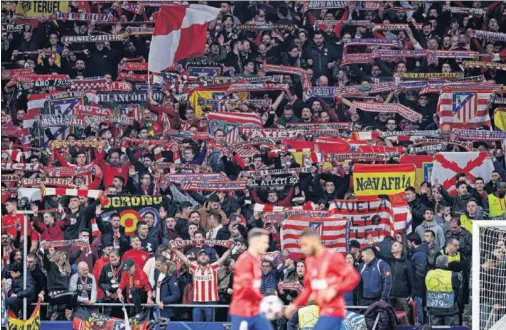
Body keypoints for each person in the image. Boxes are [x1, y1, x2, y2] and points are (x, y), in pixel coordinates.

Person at [284, 228, 360, 330]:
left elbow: (353, 277)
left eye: (305, 245)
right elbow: (308, 289)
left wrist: (334, 289)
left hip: (334, 310)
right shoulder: (310, 261)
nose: (303, 249)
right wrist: (294, 305)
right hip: (322, 310)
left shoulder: (333, 257)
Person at [171, 240, 233, 322]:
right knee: (197, 325)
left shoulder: (213, 267)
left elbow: (224, 257)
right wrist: (174, 249)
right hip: (197, 302)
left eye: (205, 255)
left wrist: (230, 248)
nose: (203, 256)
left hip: (211, 302)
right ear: (197, 258)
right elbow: (183, 257)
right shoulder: (194, 267)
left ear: (208, 258)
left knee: (209, 325)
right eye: (201, 255)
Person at [229, 228, 273, 330]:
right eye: (264, 242)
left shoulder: (256, 260)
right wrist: (264, 300)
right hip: (242, 311)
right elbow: (246, 288)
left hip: (255, 310)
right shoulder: (245, 260)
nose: (267, 246)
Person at [425, 255, 462, 325]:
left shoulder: (429, 274)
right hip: (450, 309)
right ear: (446, 264)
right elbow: (458, 288)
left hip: (433, 308)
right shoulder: (453, 275)